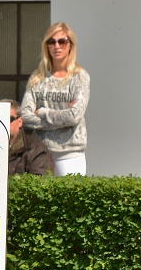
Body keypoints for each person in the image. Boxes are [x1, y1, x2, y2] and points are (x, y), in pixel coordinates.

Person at [20, 22, 90, 176]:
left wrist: (42, 112)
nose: (57, 46)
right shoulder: (37, 78)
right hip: (40, 154)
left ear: (70, 45)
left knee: (70, 200)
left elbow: (74, 116)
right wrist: (63, 116)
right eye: (52, 42)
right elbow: (25, 116)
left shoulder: (79, 77)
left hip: (70, 154)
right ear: (47, 46)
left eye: (62, 41)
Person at [1, 99, 55, 176]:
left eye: (9, 119)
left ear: (20, 122)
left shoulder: (36, 151)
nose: (3, 123)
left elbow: (40, 183)